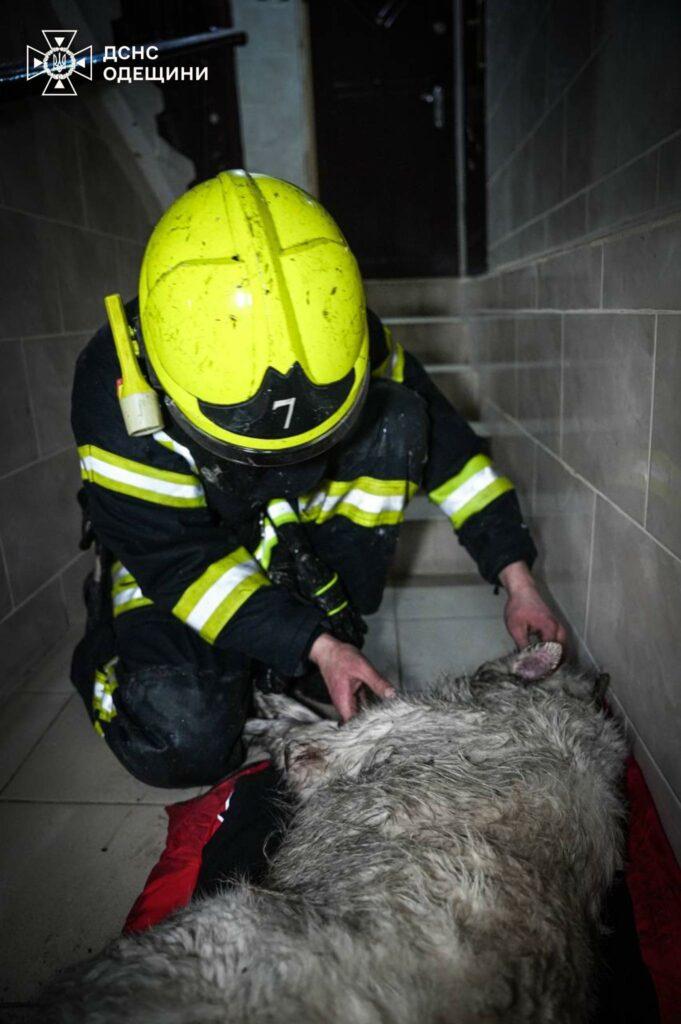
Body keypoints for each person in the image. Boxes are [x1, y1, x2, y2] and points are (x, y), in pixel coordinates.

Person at [70, 169, 566, 789]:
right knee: (184, 741)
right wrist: (313, 643)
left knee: (400, 418)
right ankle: (108, 641)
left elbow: (453, 455)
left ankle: (302, 647)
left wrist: (518, 579)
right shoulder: (118, 399)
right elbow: (182, 564)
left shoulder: (341, 334)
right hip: (181, 561)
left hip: (283, 529)